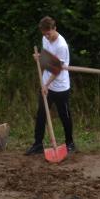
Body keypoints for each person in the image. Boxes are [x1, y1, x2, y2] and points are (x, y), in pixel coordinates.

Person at [26, 17, 77, 156]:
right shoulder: (45, 39)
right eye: (44, 34)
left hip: (60, 87)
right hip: (46, 84)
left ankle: (70, 143)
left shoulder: (61, 46)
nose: (47, 37)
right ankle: (38, 144)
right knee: (41, 114)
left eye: (48, 33)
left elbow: (57, 69)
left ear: (55, 28)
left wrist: (47, 84)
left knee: (64, 115)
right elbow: (47, 59)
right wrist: (39, 58)